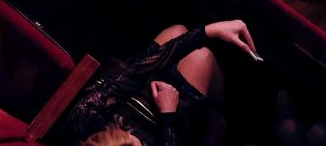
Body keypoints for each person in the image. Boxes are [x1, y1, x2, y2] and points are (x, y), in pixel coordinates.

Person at [65, 19, 257, 144]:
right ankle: (238, 111)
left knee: (178, 30)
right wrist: (168, 114)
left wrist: (209, 31)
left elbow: (134, 74)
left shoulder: (85, 118)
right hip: (169, 121)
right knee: (202, 58)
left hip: (134, 94)